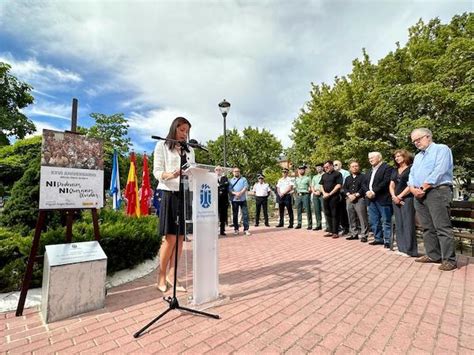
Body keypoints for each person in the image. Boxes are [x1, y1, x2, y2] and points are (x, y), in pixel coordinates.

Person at [153, 116, 195, 293]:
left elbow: (193, 169)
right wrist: (172, 175)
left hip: (185, 194)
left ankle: (173, 276)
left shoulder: (190, 150)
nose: (184, 134)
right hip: (169, 193)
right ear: (174, 129)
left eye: (187, 131)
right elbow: (157, 172)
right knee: (170, 238)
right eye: (182, 130)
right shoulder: (162, 145)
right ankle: (161, 277)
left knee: (180, 239)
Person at [408, 128, 456, 271]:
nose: (416, 143)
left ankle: (449, 260)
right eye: (414, 141)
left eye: (419, 139)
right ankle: (433, 255)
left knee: (442, 227)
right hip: (418, 194)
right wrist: (411, 188)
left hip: (437, 191)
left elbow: (440, 170)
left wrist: (424, 187)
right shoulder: (417, 157)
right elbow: (412, 174)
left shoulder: (441, 149)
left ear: (428, 136)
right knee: (427, 227)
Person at [390, 149, 418, 257]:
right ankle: (402, 248)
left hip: (406, 199)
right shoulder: (395, 170)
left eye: (399, 156)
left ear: (405, 156)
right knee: (399, 223)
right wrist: (393, 196)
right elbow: (391, 185)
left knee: (408, 223)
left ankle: (410, 250)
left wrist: (400, 196)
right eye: (395, 156)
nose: (396, 158)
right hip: (395, 199)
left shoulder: (412, 168)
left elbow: (411, 184)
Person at [365, 152, 394, 248]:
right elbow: (364, 183)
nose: (370, 159)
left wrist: (374, 192)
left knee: (386, 220)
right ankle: (378, 238)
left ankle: (387, 240)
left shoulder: (387, 168)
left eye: (372, 157)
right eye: (369, 158)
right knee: (374, 220)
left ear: (379, 158)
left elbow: (386, 182)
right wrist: (367, 192)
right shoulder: (369, 171)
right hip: (371, 199)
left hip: (383, 198)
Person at [343, 161, 369, 242]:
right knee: (351, 217)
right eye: (353, 166)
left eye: (356, 166)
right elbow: (345, 188)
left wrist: (356, 195)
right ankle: (354, 234)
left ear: (359, 167)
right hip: (349, 199)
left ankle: (364, 235)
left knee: (362, 217)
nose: (355, 168)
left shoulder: (363, 176)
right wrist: (349, 195)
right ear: (350, 168)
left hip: (360, 199)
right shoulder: (348, 178)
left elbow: (363, 187)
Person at [320, 161, 343, 238]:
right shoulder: (324, 175)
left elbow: (338, 185)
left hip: (334, 197)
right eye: (324, 167)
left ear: (331, 166)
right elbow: (321, 185)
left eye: (327, 167)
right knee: (327, 213)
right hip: (325, 197)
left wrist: (329, 194)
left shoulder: (337, 174)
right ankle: (330, 230)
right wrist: (324, 193)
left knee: (335, 214)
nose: (325, 169)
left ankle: (335, 232)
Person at [229, 167, 251, 236]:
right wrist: (236, 194)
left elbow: (245, 187)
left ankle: (246, 229)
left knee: (245, 214)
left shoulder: (243, 179)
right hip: (234, 200)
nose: (236, 172)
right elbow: (229, 190)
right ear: (233, 172)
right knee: (235, 215)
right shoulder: (230, 180)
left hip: (243, 199)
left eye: (238, 171)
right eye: (235, 171)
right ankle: (236, 229)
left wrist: (240, 193)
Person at [294, 165, 312, 230]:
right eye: (300, 169)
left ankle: (309, 224)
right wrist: (296, 195)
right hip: (298, 195)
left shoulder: (307, 178)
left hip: (305, 195)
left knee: (308, 210)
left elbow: (311, 186)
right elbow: (295, 188)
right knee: (298, 210)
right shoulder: (296, 179)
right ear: (298, 170)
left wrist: (310, 190)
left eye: (303, 169)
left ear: (304, 170)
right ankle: (299, 223)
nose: (301, 170)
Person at [334, 160, 350, 235]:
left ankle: (346, 228)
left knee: (344, 211)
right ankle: (341, 227)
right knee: (338, 212)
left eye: (336, 164)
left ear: (340, 165)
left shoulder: (345, 172)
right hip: (335, 194)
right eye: (334, 165)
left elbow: (346, 183)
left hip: (343, 193)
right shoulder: (333, 173)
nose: (335, 166)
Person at [215, 166, 229, 236]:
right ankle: (215, 230)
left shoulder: (225, 178)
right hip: (215, 200)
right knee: (215, 216)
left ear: (221, 171)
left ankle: (222, 230)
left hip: (223, 200)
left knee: (223, 216)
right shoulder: (212, 178)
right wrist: (221, 186)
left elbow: (226, 185)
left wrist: (218, 185)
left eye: (219, 170)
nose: (218, 171)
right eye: (217, 170)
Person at [311, 163, 324, 231]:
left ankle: (328, 226)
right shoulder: (314, 177)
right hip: (315, 195)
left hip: (322, 194)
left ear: (322, 168)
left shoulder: (325, 175)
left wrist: (320, 191)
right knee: (317, 210)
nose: (318, 169)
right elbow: (312, 186)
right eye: (317, 168)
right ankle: (318, 225)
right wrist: (314, 192)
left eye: (319, 167)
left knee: (325, 210)